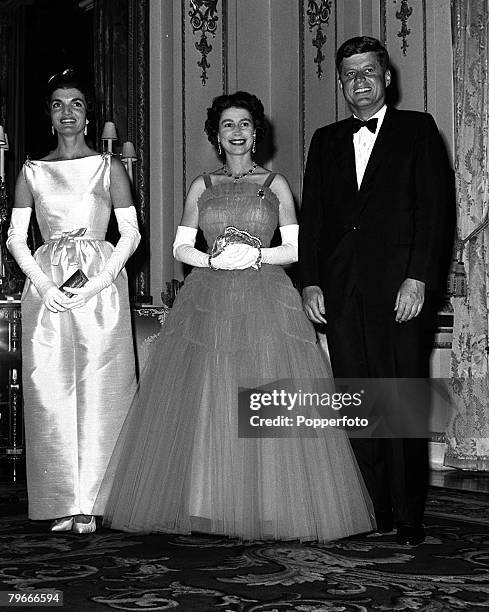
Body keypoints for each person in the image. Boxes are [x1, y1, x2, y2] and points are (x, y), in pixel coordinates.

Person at [97, 91, 375, 542]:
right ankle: (208, 504)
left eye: (245, 123)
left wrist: (256, 254)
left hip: (266, 297)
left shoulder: (276, 184)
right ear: (217, 134)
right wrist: (212, 261)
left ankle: (270, 506)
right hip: (208, 299)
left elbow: (298, 248)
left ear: (256, 131)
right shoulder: (201, 186)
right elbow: (180, 246)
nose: (238, 131)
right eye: (228, 124)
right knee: (212, 395)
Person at [299, 37, 451, 546]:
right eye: (349, 74)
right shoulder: (325, 140)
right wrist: (311, 280)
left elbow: (435, 212)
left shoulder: (418, 130)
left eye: (368, 72)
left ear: (387, 77)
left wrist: (419, 278)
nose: (359, 82)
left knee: (400, 398)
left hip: (400, 290)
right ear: (340, 83)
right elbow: (313, 220)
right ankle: (370, 512)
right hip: (341, 293)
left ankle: (407, 517)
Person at [7, 69, 140, 534]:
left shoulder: (109, 168)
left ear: (88, 115)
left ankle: (100, 501)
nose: (67, 112)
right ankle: (63, 500)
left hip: (101, 288)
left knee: (104, 389)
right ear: (50, 115)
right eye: (59, 104)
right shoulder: (31, 171)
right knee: (51, 391)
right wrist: (44, 287)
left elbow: (131, 233)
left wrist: (100, 281)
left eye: (77, 104)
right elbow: (16, 239)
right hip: (47, 288)